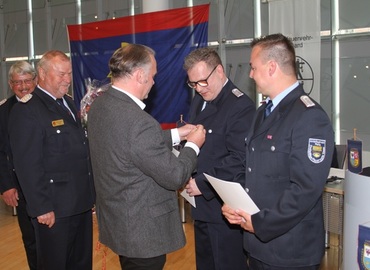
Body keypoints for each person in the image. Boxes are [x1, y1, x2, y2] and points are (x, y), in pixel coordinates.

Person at [87, 44, 206, 270]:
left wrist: (175, 134)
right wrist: (193, 145)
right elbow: (175, 176)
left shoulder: (101, 105)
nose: (153, 82)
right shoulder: (139, 122)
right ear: (140, 75)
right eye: (152, 76)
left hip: (119, 223)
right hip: (143, 234)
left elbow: (128, 145)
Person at [221, 33, 335, 270]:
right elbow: (252, 170)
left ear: (272, 67)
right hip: (257, 245)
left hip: (289, 251)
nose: (250, 74)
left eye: (253, 67)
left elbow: (305, 189)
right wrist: (236, 206)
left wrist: (261, 223)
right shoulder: (262, 113)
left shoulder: (309, 116)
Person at [8, 50, 95, 270]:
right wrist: (41, 207)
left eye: (69, 74)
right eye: (61, 74)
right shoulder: (27, 110)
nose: (67, 79)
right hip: (54, 210)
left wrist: (91, 196)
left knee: (81, 264)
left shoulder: (67, 103)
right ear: (43, 74)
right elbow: (27, 165)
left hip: (80, 204)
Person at [183, 47, 256, 270]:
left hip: (224, 209)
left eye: (203, 81)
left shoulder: (239, 105)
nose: (199, 88)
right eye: (193, 84)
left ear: (220, 71)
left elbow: (238, 158)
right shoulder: (200, 99)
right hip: (201, 206)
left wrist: (201, 183)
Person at [0, 61, 37, 270]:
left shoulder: (47, 105)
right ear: (10, 84)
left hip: (49, 185)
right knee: (31, 239)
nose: (22, 87)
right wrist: (5, 186)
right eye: (17, 83)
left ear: (35, 81)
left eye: (26, 81)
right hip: (20, 187)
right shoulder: (3, 111)